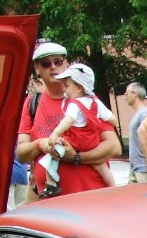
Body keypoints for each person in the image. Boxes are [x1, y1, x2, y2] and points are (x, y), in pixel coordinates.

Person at [14, 41, 121, 199]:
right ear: (37, 69)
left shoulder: (87, 100)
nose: (53, 67)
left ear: (67, 64)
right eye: (45, 63)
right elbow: (21, 154)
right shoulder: (32, 103)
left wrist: (75, 157)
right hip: (51, 206)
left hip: (91, 198)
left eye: (58, 61)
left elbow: (114, 147)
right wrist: (40, 144)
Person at [37, 63, 116, 193]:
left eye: (67, 86)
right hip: (92, 143)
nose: (64, 89)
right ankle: (113, 188)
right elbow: (111, 118)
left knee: (52, 154)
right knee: (101, 167)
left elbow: (67, 121)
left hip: (76, 142)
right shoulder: (95, 102)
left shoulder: (74, 104)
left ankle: (50, 183)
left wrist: (55, 134)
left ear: (79, 87)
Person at [123, 81, 147, 184]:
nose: (125, 97)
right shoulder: (138, 114)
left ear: (135, 94)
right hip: (135, 167)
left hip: (144, 168)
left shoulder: (144, 113)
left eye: (127, 94)